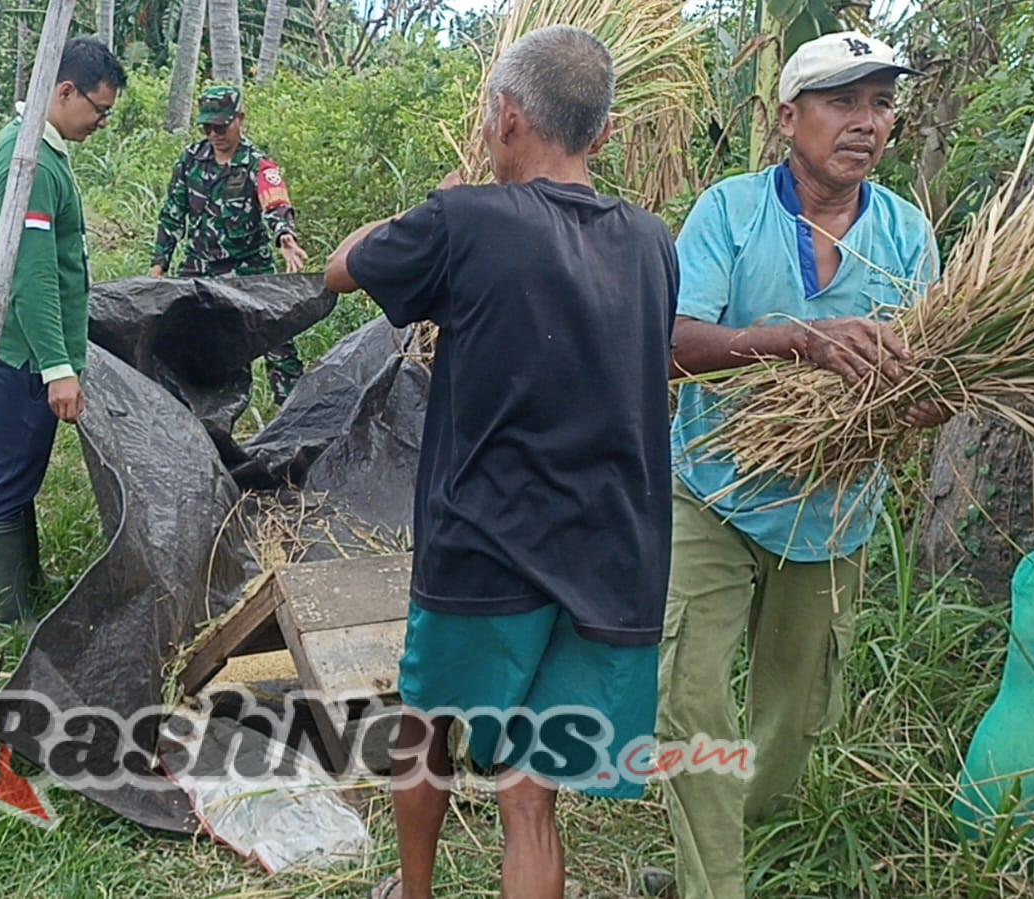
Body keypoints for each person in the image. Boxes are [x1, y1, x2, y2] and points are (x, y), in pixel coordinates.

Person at [324, 25, 679, 899]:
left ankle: (413, 892)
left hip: (482, 545)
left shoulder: (463, 220)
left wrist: (430, 203)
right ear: (599, 135)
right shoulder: (651, 243)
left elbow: (338, 270)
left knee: (426, 728)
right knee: (530, 796)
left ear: (506, 119)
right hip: (610, 558)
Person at [652, 31, 945, 899]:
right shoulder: (730, 212)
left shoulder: (904, 234)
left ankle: (722, 835)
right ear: (788, 118)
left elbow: (929, 378)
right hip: (710, 490)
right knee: (689, 694)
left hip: (832, 509)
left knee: (792, 721)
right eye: (841, 102)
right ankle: (714, 884)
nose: (865, 123)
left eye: (880, 104)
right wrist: (791, 340)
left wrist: (925, 400)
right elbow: (669, 343)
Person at [0, 37, 126, 632]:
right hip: (26, 356)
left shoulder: (46, 154)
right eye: (99, 109)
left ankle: (26, 583)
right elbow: (31, 277)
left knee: (24, 472)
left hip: (33, 351)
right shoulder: (27, 163)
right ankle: (2, 621)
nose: (101, 122)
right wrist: (57, 366)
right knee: (8, 481)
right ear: (64, 92)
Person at [148, 86, 312, 404]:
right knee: (188, 345)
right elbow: (171, 215)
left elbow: (275, 203)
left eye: (221, 127)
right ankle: (196, 419)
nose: (214, 134)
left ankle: (295, 418)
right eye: (207, 128)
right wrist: (159, 264)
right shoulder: (190, 161)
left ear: (240, 119)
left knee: (279, 346)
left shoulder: (257, 164)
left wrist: (284, 236)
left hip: (250, 269)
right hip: (200, 268)